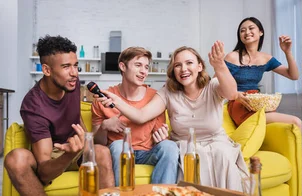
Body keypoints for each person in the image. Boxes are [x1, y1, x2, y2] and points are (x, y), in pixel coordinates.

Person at [95, 42, 248, 191]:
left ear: (200, 66)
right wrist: (114, 104)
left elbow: (231, 94)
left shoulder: (213, 86)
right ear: (173, 71)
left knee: (218, 153)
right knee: (184, 152)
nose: (184, 69)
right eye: (177, 65)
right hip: (184, 145)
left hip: (214, 143)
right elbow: (141, 116)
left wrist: (220, 65)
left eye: (189, 63)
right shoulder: (167, 92)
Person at [4, 35, 114, 195]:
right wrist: (68, 153)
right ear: (47, 70)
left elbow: (76, 119)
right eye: (66, 66)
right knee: (16, 159)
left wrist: (90, 136)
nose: (74, 73)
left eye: (76, 65)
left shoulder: (72, 83)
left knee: (102, 152)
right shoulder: (33, 105)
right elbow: (44, 172)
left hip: (76, 147)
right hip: (54, 153)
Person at [91, 47, 179, 185]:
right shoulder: (104, 99)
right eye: (138, 65)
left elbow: (160, 139)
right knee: (120, 145)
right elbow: (97, 144)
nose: (144, 71)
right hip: (119, 152)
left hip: (147, 152)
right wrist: (104, 126)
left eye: (146, 67)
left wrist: (162, 137)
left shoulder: (155, 98)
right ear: (122, 66)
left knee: (170, 146)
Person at [224, 17, 301, 128]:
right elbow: (216, 82)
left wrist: (287, 52)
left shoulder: (266, 58)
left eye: (251, 28)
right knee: (296, 122)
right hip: (239, 103)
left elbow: (294, 75)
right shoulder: (232, 57)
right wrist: (236, 94)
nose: (247, 32)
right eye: (242, 30)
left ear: (261, 32)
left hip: (258, 103)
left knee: (288, 125)